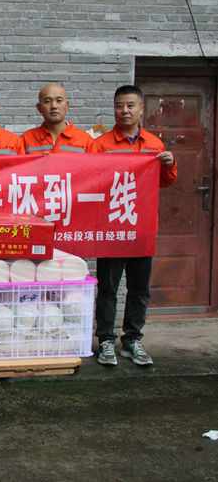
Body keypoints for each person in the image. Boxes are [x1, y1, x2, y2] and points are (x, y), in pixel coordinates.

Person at [91, 85, 177, 367]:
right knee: (108, 288)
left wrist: (169, 164)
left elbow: (164, 182)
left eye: (130, 105)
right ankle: (105, 340)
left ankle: (132, 340)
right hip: (111, 228)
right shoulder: (101, 144)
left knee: (140, 288)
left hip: (142, 227)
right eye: (119, 106)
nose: (124, 111)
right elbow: (89, 181)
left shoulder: (154, 144)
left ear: (141, 109)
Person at [20, 84, 94, 154]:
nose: (54, 106)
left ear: (67, 105)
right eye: (47, 101)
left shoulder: (85, 140)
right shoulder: (25, 139)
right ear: (39, 108)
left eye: (59, 101)